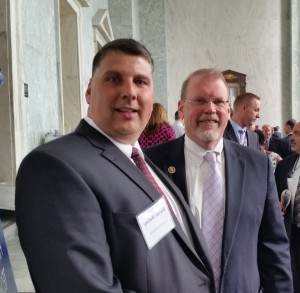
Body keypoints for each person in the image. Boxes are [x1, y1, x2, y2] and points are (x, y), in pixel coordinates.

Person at [15, 39, 216, 292]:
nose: (130, 92)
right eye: (114, 79)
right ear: (89, 91)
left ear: (151, 96)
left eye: (141, 82)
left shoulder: (144, 162)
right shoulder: (54, 167)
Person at [145, 68, 293, 292]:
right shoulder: (151, 164)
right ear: (181, 109)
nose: (210, 109)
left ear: (228, 109)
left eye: (219, 102)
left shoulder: (257, 166)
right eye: (200, 100)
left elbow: (273, 247)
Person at [275, 121, 300, 292]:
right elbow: (275, 197)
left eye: (298, 134)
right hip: (291, 236)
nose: (292, 138)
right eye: (293, 133)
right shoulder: (284, 165)